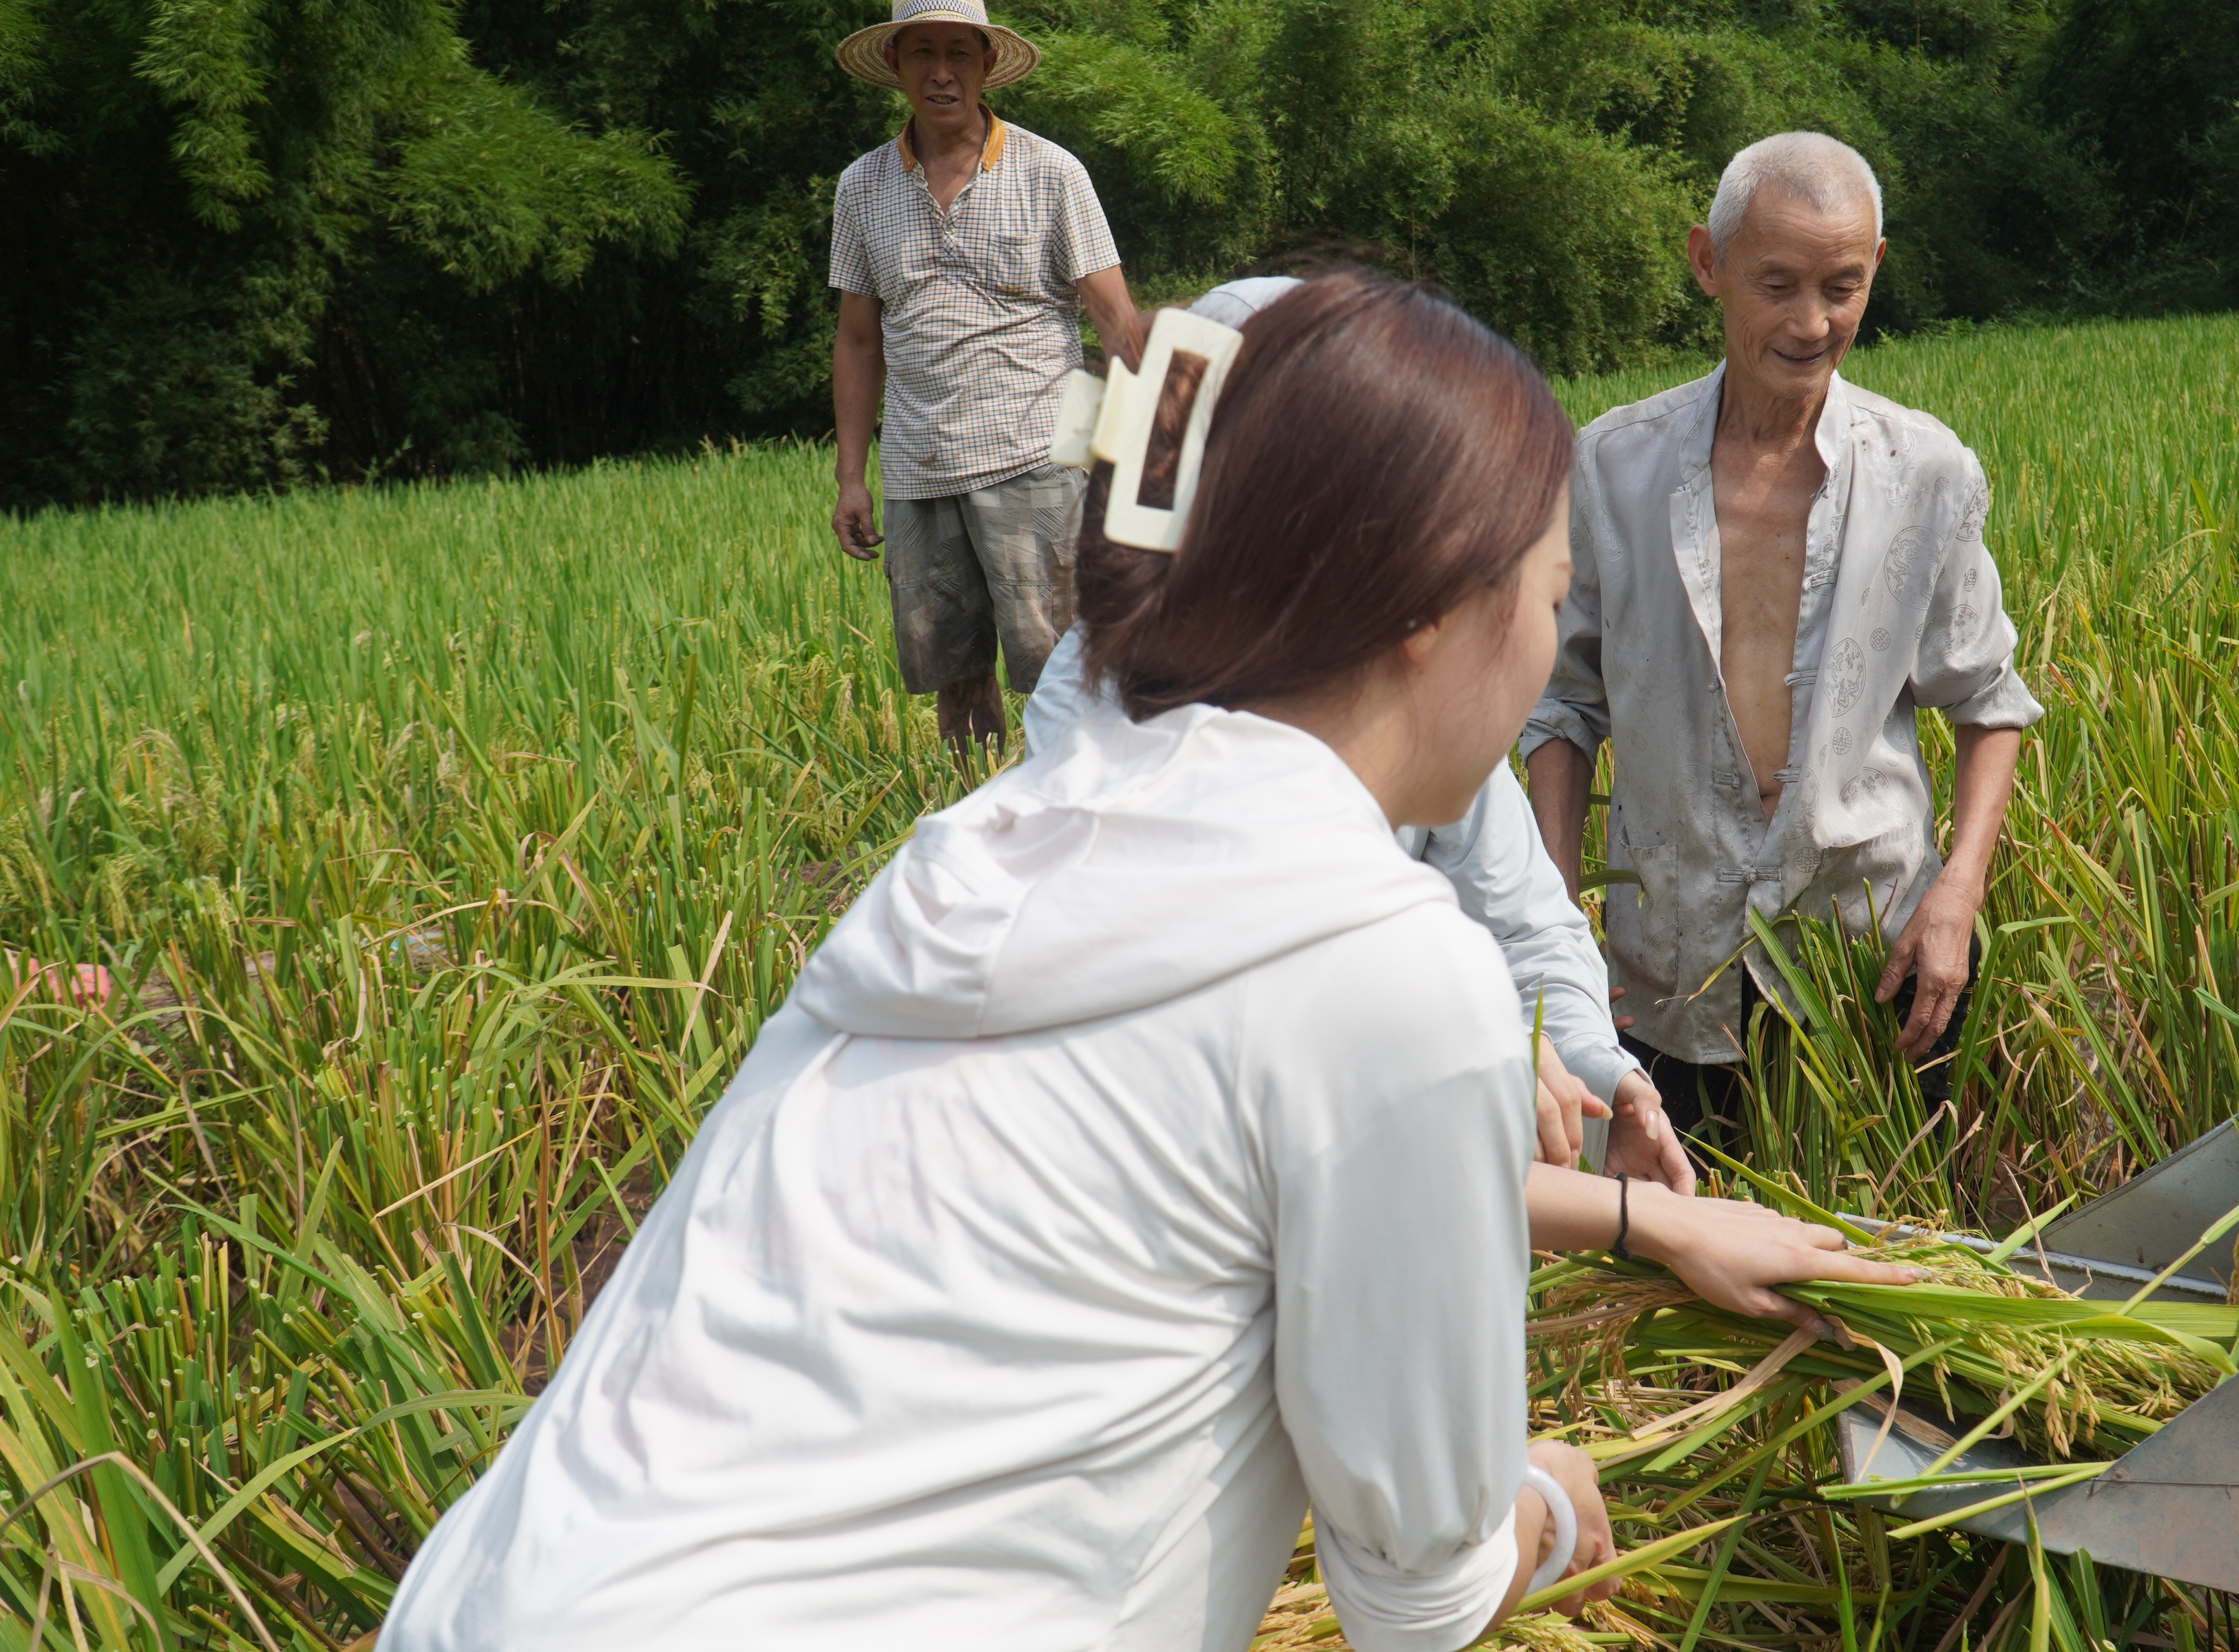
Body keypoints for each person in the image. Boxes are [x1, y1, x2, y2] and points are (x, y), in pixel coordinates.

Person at [380, 274, 1906, 1652]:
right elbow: (1421, 1598)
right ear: (1435, 612)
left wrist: (1645, 1222)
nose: (1545, 650)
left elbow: (1198, 1178)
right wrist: (1552, 1503)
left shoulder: (981, 860)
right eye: (1554, 595)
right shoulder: (1376, 964)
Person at [1022, 274, 1689, 1189]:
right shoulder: (1099, 725)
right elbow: (1200, 1001)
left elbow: (1526, 925)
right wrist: (1446, 1035)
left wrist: (1601, 1075)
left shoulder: (1406, 709)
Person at [1524, 133, 2043, 1144]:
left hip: (1870, 954)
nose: (1812, 323)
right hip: (1666, 964)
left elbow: (1989, 700)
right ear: (1708, 264)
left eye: (1842, 287)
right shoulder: (1612, 467)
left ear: (1876, 269)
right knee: (1676, 1262)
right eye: (1778, 286)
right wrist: (1551, 919)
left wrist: (1958, 894)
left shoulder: (1925, 473)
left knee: (1874, 1262)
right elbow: (1563, 700)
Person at [825, 0, 1148, 761]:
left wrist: (1145, 451)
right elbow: (857, 337)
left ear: (988, 64)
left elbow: (1114, 318)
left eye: (960, 54)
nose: (942, 73)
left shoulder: (1051, 170)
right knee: (953, 672)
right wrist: (850, 477)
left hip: (1037, 454)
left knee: (1066, 667)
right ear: (897, 66)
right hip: (919, 466)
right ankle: (971, 813)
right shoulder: (861, 187)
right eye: (923, 54)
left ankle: (1076, 815)